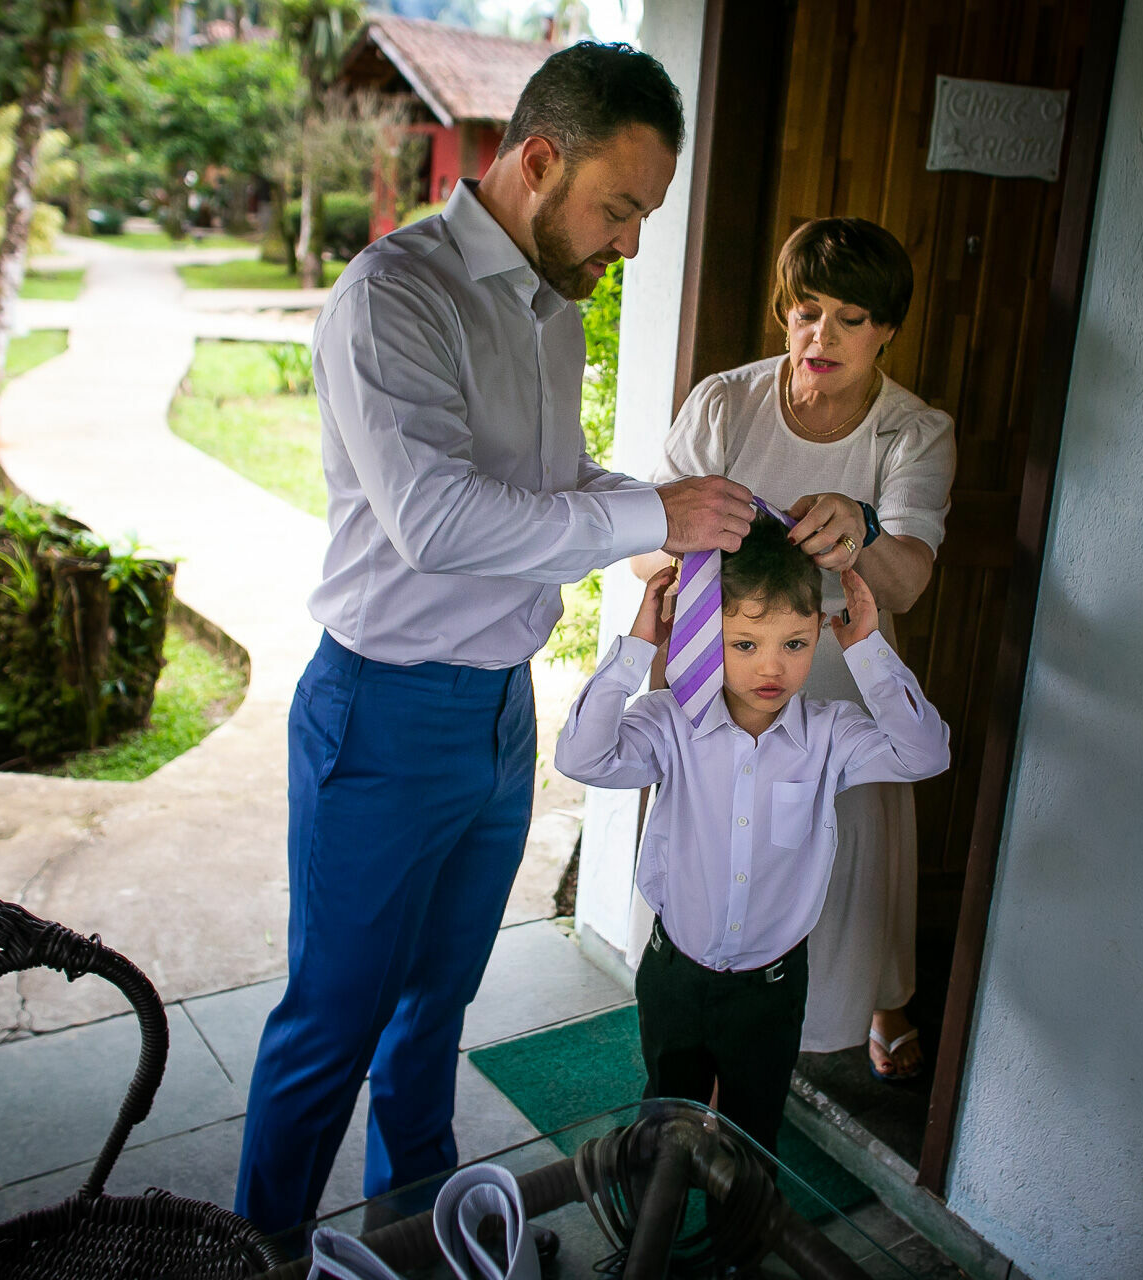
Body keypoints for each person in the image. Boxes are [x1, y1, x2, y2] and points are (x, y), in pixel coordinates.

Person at [234, 42, 758, 1239]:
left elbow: (547, 477)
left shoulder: (550, 301)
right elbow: (435, 520)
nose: (629, 243)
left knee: (436, 1007)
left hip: (499, 711)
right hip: (381, 709)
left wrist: (671, 526)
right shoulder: (393, 296)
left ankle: (417, 1236)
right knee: (334, 1021)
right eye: (619, 208)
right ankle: (256, 1252)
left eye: (644, 216)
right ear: (536, 160)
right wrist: (647, 513)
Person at [633, 218, 956, 1082]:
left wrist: (864, 530)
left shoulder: (912, 433)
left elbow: (910, 582)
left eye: (851, 318)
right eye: (807, 312)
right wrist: (695, 537)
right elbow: (642, 543)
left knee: (851, 849)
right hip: (728, 663)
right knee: (726, 842)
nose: (823, 337)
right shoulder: (724, 402)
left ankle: (865, 1004)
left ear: (887, 329)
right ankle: (713, 1006)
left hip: (844, 673)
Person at [559, 514, 950, 1151]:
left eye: (794, 644)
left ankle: (733, 1252)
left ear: (819, 632)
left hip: (770, 989)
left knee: (751, 1140)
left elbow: (925, 754)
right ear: (705, 633)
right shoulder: (671, 724)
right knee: (664, 1127)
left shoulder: (830, 735)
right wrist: (639, 645)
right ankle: (648, 1245)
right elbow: (581, 756)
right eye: (744, 644)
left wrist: (869, 651)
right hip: (674, 973)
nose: (771, 668)